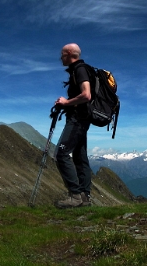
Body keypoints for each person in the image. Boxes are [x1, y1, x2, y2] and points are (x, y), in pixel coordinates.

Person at [54, 43, 93, 209]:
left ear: (69, 53)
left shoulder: (79, 69)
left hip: (77, 119)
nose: (60, 58)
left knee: (61, 154)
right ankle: (84, 197)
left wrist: (66, 102)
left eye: (62, 54)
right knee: (80, 157)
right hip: (83, 119)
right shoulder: (82, 69)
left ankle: (75, 196)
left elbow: (86, 95)